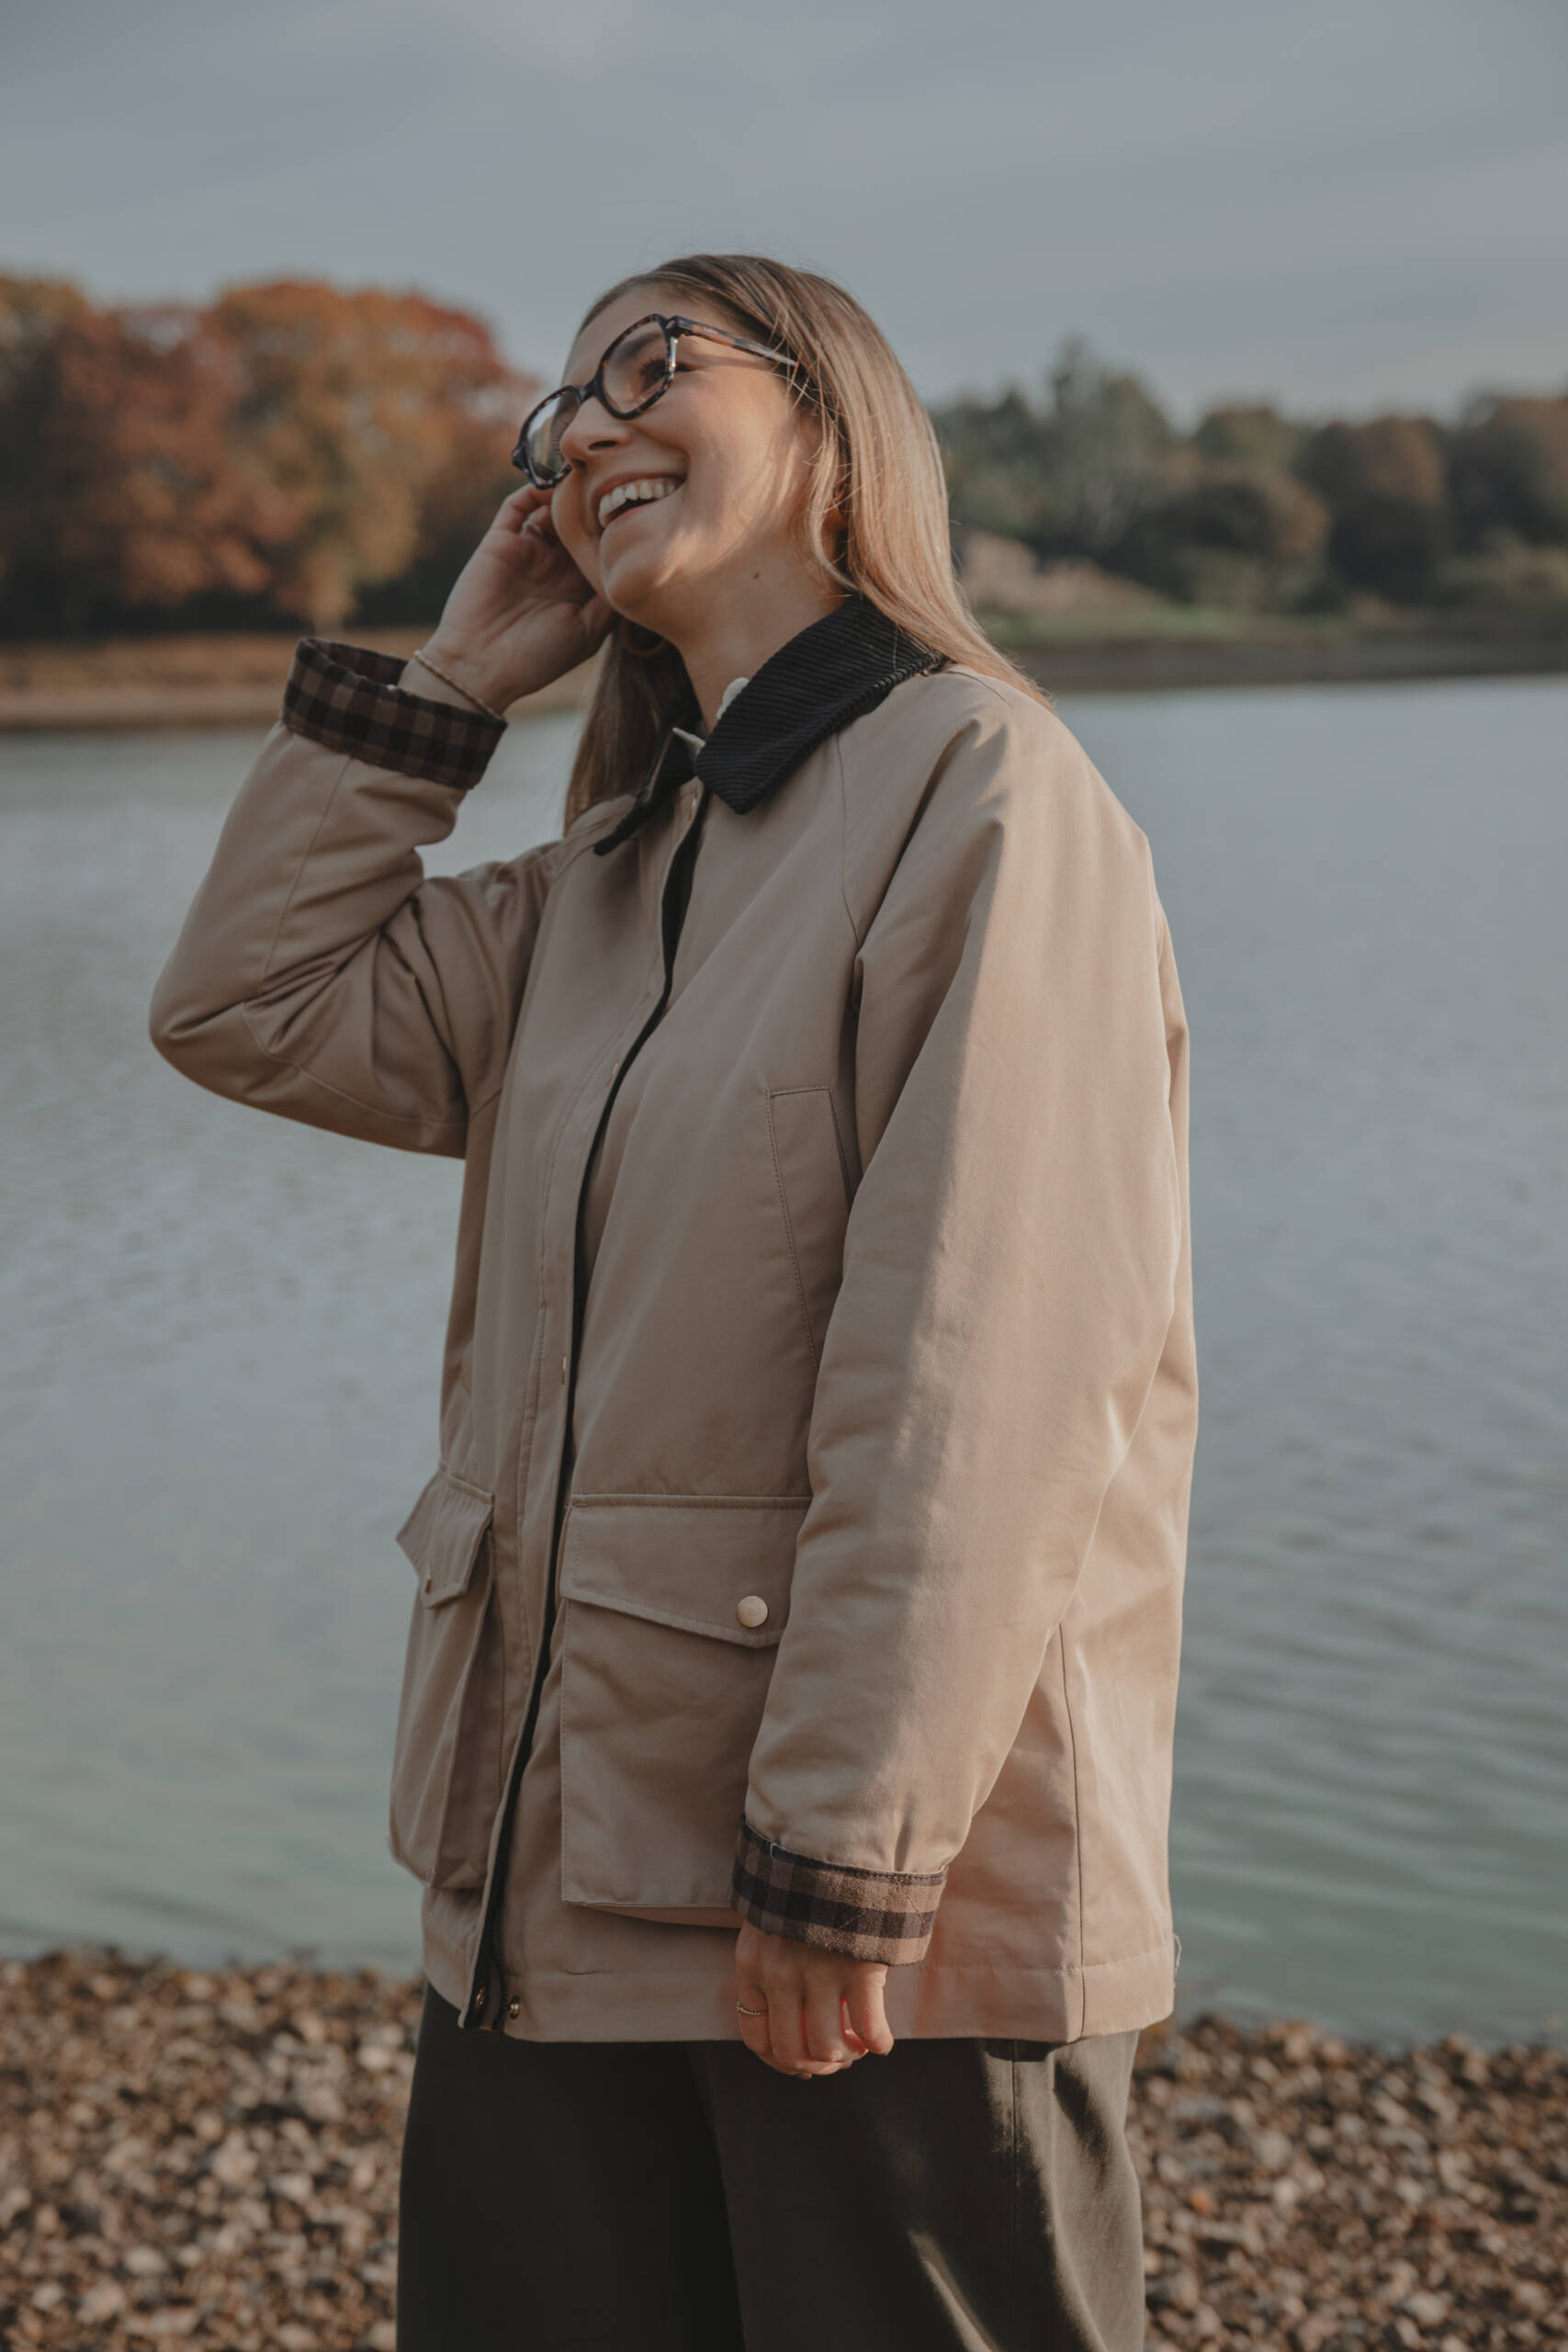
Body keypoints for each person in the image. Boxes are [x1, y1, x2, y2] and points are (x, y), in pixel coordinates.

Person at [150, 252, 1197, 2352]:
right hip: (552, 1886)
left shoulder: (982, 789)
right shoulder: (609, 873)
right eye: (558, 409)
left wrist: (847, 1851)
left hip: (861, 1921)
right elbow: (244, 1006)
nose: (590, 424)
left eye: (652, 363)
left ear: (831, 416)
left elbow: (976, 1383)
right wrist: (448, 683)